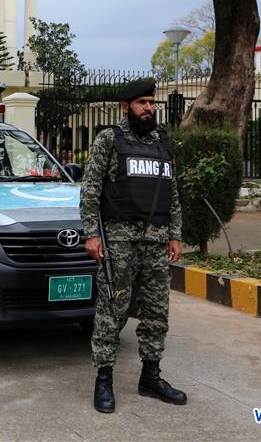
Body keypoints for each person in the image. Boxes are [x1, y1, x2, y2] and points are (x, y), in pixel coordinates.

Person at [79, 79, 187, 413]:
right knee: (112, 309)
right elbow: (91, 189)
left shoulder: (162, 143)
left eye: (151, 103)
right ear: (126, 106)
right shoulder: (110, 140)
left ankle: (150, 377)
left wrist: (174, 234)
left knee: (157, 311)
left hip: (156, 242)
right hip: (119, 241)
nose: (149, 108)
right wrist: (91, 234)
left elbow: (172, 193)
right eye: (142, 103)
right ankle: (104, 379)